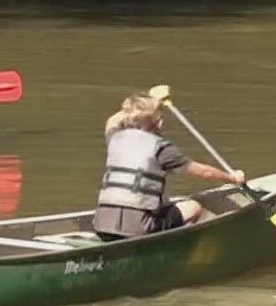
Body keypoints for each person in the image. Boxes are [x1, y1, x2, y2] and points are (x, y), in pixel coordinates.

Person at [94, 89, 246, 240]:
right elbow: (204, 172)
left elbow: (112, 121)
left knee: (163, 207)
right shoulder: (161, 149)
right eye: (160, 117)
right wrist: (232, 178)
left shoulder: (115, 138)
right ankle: (181, 250)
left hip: (102, 224)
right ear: (158, 123)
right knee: (193, 207)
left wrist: (148, 101)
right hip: (139, 227)